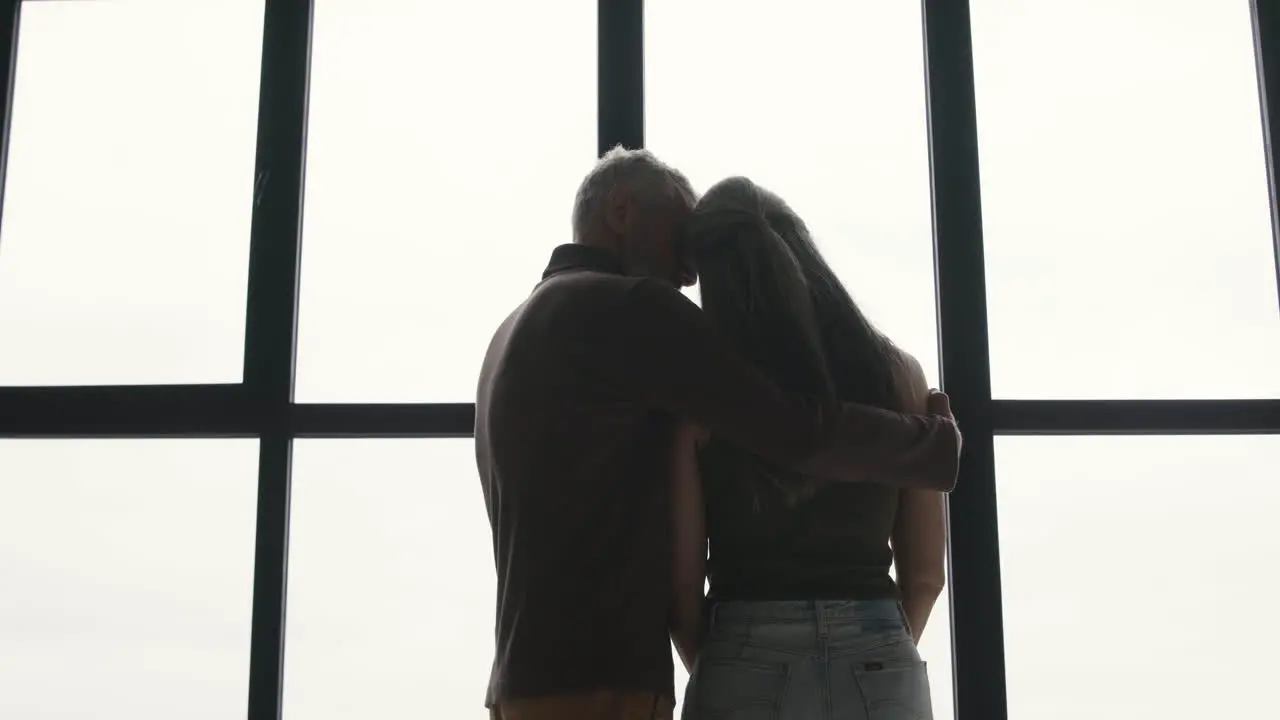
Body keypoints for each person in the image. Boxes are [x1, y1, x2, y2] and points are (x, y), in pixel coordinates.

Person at [474, 148, 960, 720]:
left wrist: (726, 659)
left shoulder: (514, 330)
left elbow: (684, 591)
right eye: (680, 238)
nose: (688, 272)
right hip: (606, 674)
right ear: (623, 210)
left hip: (526, 671)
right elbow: (795, 433)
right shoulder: (631, 307)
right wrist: (934, 445)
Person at [669, 176, 948, 720]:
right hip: (879, 653)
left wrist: (729, 662)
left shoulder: (702, 396)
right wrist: (876, 648)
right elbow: (924, 576)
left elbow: (681, 587)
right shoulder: (897, 377)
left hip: (744, 649)